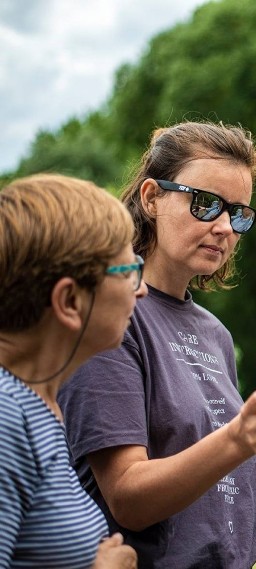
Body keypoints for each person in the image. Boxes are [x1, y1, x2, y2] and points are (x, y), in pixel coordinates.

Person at [58, 121, 256, 568]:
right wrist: (242, 438)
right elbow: (128, 497)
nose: (225, 227)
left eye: (239, 213)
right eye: (206, 204)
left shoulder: (216, 335)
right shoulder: (113, 319)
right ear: (151, 198)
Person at [0, 173, 140, 568]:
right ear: (69, 300)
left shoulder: (35, 409)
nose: (140, 289)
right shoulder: (6, 416)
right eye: (128, 272)